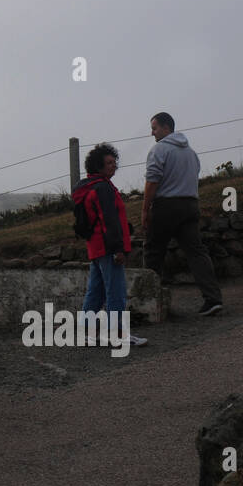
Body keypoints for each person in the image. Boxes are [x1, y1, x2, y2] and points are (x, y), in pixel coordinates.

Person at [142, 112, 223, 316]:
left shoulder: (159, 150)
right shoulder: (191, 152)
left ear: (166, 127)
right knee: (196, 252)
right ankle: (213, 298)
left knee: (153, 251)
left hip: (166, 207)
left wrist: (145, 209)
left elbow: (152, 181)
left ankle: (148, 301)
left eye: (154, 128)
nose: (152, 133)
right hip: (191, 204)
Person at [72, 143, 147, 347]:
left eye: (114, 162)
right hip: (108, 247)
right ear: (99, 166)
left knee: (95, 292)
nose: (113, 166)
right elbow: (109, 221)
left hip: (95, 247)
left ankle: (86, 333)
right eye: (109, 163)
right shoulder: (103, 188)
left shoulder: (88, 187)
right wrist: (118, 249)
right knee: (116, 291)